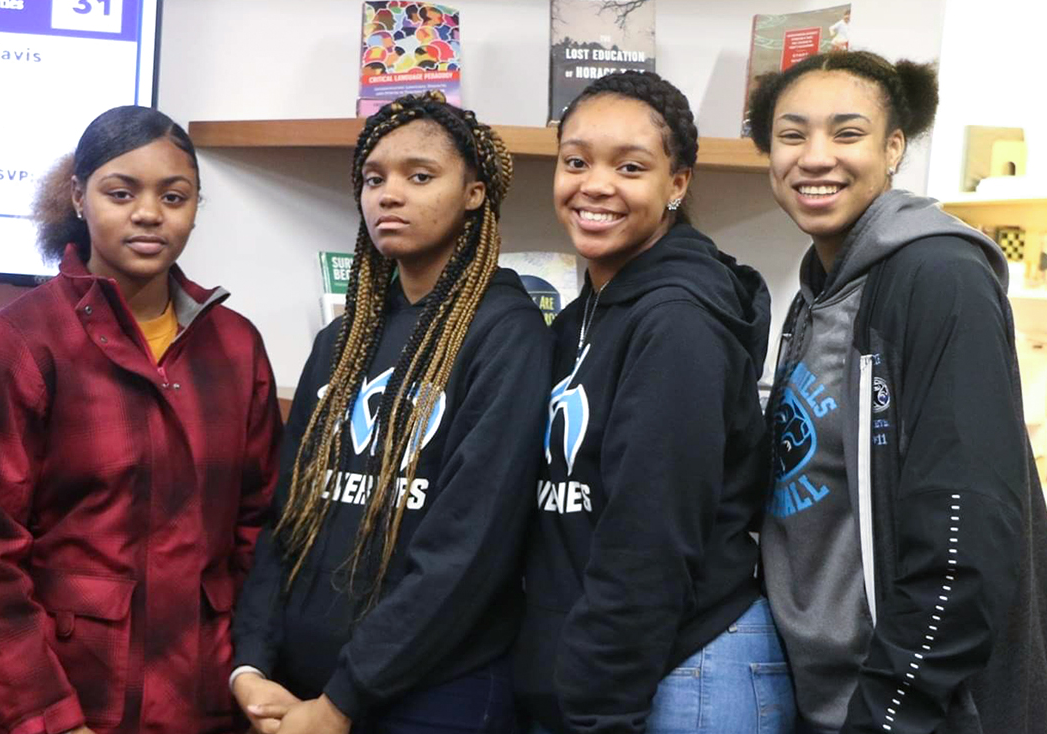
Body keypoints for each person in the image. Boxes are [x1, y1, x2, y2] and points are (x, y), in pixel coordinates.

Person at [0, 105, 282, 734]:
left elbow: (258, 530)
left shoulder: (235, 346)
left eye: (174, 195)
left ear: (196, 205)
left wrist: (246, 670)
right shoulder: (23, 339)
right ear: (79, 196)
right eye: (121, 192)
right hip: (66, 696)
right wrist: (48, 716)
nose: (149, 213)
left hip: (202, 698)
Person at [231, 92, 551, 734]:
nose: (389, 194)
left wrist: (342, 701)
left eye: (420, 176)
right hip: (298, 692)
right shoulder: (342, 340)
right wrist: (251, 666)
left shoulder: (506, 334)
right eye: (374, 178)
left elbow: (467, 548)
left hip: (434, 699)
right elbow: (286, 519)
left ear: (475, 193)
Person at [747, 49, 1047, 733]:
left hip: (908, 708)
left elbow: (968, 530)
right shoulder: (822, 289)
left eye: (847, 133)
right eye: (792, 135)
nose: (815, 157)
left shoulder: (939, 278)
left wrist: (892, 708)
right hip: (824, 695)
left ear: (893, 148)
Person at [515, 70, 792, 734]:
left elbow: (650, 535)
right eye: (575, 161)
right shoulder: (589, 313)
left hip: (690, 673)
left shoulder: (676, 322)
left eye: (630, 166)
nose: (595, 184)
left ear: (677, 184)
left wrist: (599, 710)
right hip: (640, 669)